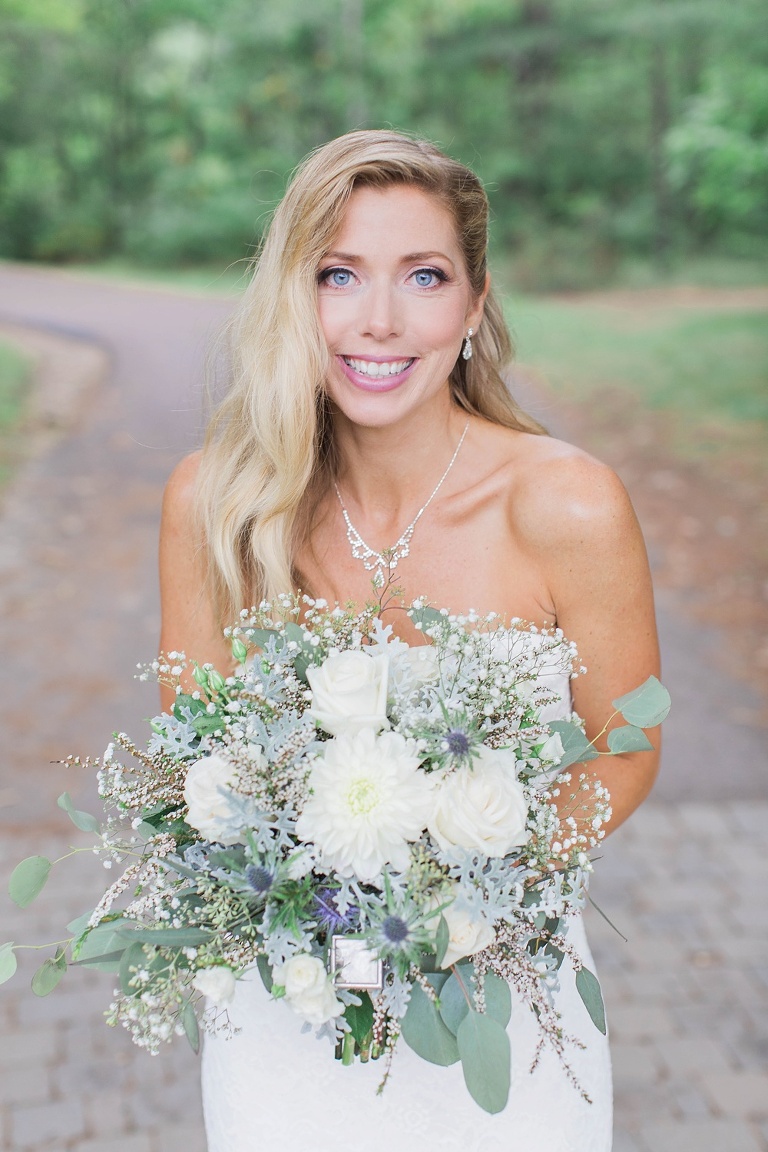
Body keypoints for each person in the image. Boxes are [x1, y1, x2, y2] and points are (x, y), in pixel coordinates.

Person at [159, 129, 659, 1151]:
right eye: (337, 274)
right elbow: (187, 762)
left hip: (499, 1003)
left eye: (423, 276)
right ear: (291, 299)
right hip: (287, 1011)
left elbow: (625, 747)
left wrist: (461, 901)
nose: (378, 321)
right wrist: (310, 892)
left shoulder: (565, 504)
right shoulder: (216, 501)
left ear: (473, 305)